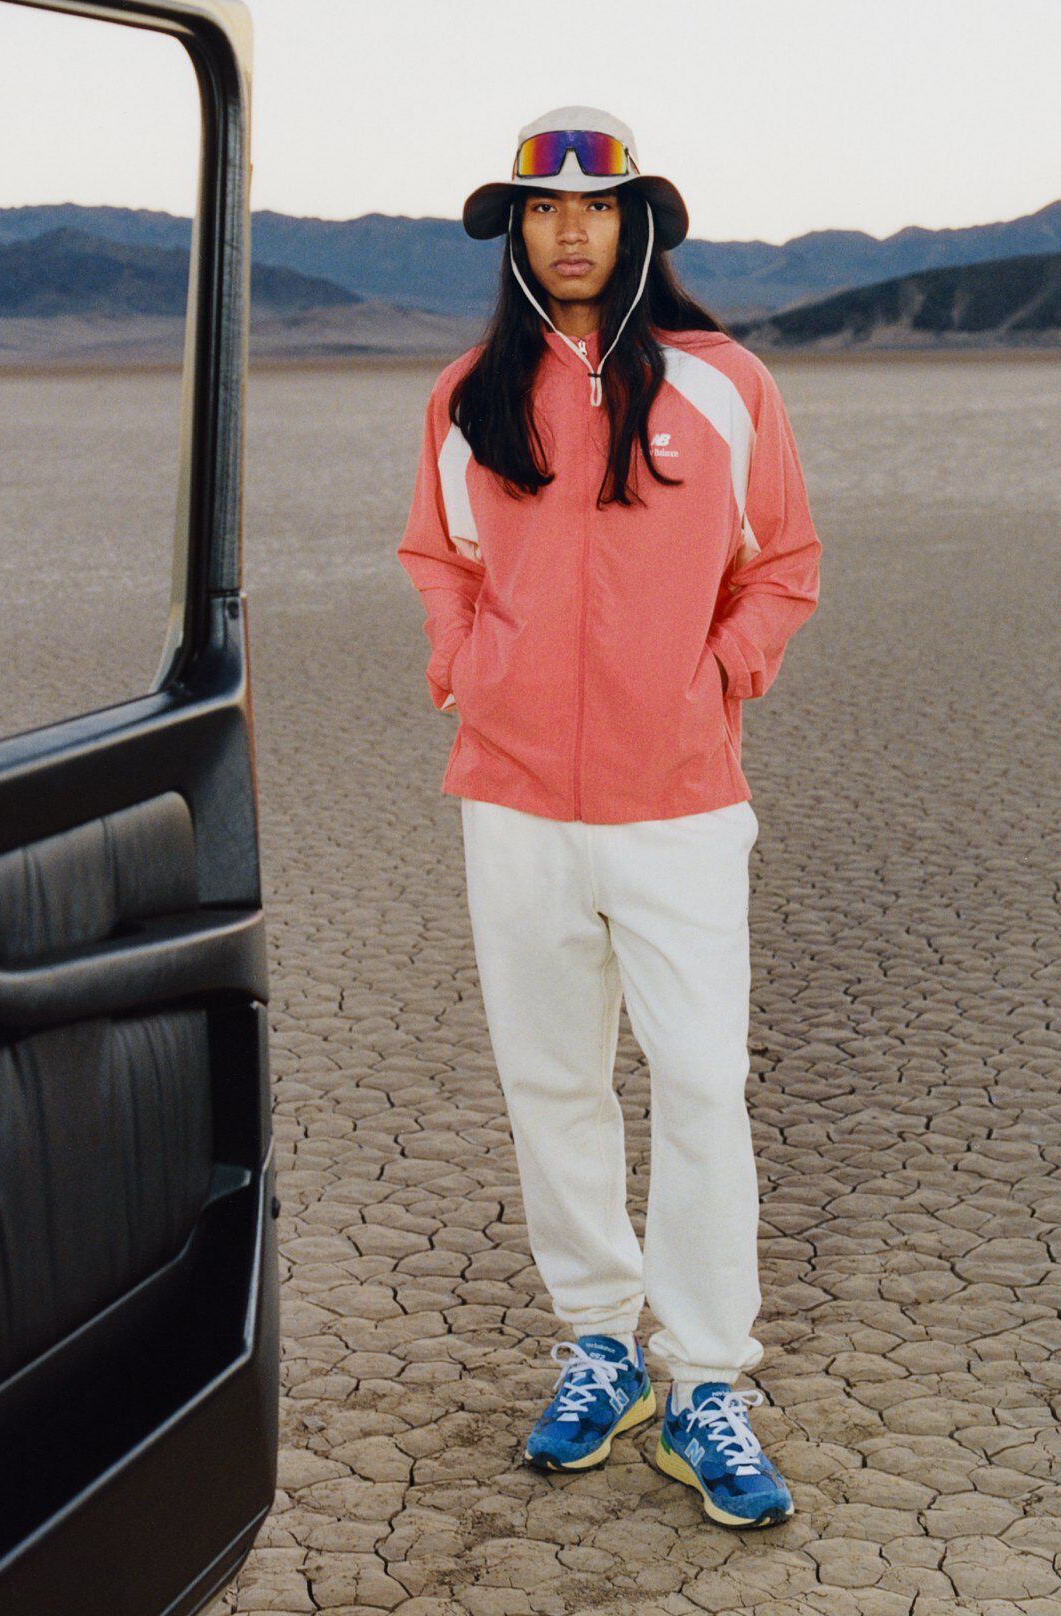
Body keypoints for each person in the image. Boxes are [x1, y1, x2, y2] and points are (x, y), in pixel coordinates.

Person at [395, 105, 820, 1530]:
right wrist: (470, 668)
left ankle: (707, 1380)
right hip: (511, 801)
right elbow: (438, 558)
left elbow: (786, 565)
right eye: (539, 211)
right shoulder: (468, 396)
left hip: (678, 804)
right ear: (514, 231)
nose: (567, 230)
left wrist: (714, 679)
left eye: (597, 207)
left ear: (640, 221)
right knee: (553, 1086)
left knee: (699, 1085)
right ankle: (599, 1348)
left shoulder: (723, 383)